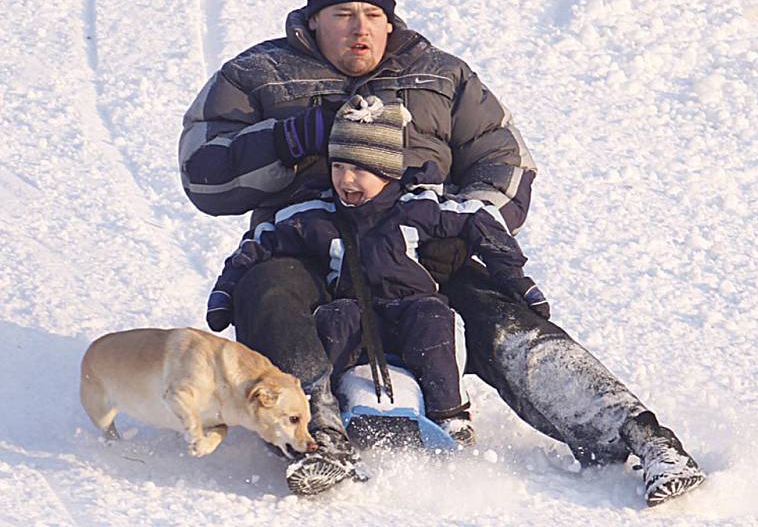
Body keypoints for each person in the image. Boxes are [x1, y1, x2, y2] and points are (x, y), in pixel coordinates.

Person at [179, 0, 705, 505]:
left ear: (390, 19)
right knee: (268, 293)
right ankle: (318, 438)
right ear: (313, 19)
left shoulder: (443, 75)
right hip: (306, 249)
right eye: (342, 14)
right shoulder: (258, 75)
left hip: (418, 251)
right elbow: (203, 174)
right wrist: (285, 139)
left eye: (373, 15)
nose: (360, 29)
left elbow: (506, 164)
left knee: (505, 323)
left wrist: (453, 227)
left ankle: (639, 439)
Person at [206, 96, 554, 474]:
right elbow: (262, 241)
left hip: (410, 310)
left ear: (387, 170)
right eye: (338, 166)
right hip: (356, 315)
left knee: (435, 315)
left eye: (360, 169)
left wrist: (515, 278)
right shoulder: (318, 216)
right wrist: (227, 290)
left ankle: (450, 414)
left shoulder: (417, 207)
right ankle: (326, 418)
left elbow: (480, 221)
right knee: (335, 317)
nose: (345, 179)